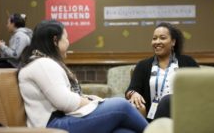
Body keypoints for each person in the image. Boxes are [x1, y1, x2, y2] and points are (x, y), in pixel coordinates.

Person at [18, 20, 148, 133]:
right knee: (122, 106)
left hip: (63, 119)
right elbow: (66, 102)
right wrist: (93, 103)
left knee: (123, 131)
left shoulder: (42, 62)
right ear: (55, 40)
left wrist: (94, 101)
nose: (69, 42)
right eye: (66, 38)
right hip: (53, 125)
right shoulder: (42, 64)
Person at [125, 22, 199, 122]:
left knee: (168, 100)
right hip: (151, 118)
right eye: (154, 38)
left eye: (162, 38)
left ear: (173, 42)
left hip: (182, 115)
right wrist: (134, 94)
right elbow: (130, 90)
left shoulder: (188, 62)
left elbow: (200, 89)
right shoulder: (143, 65)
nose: (157, 42)